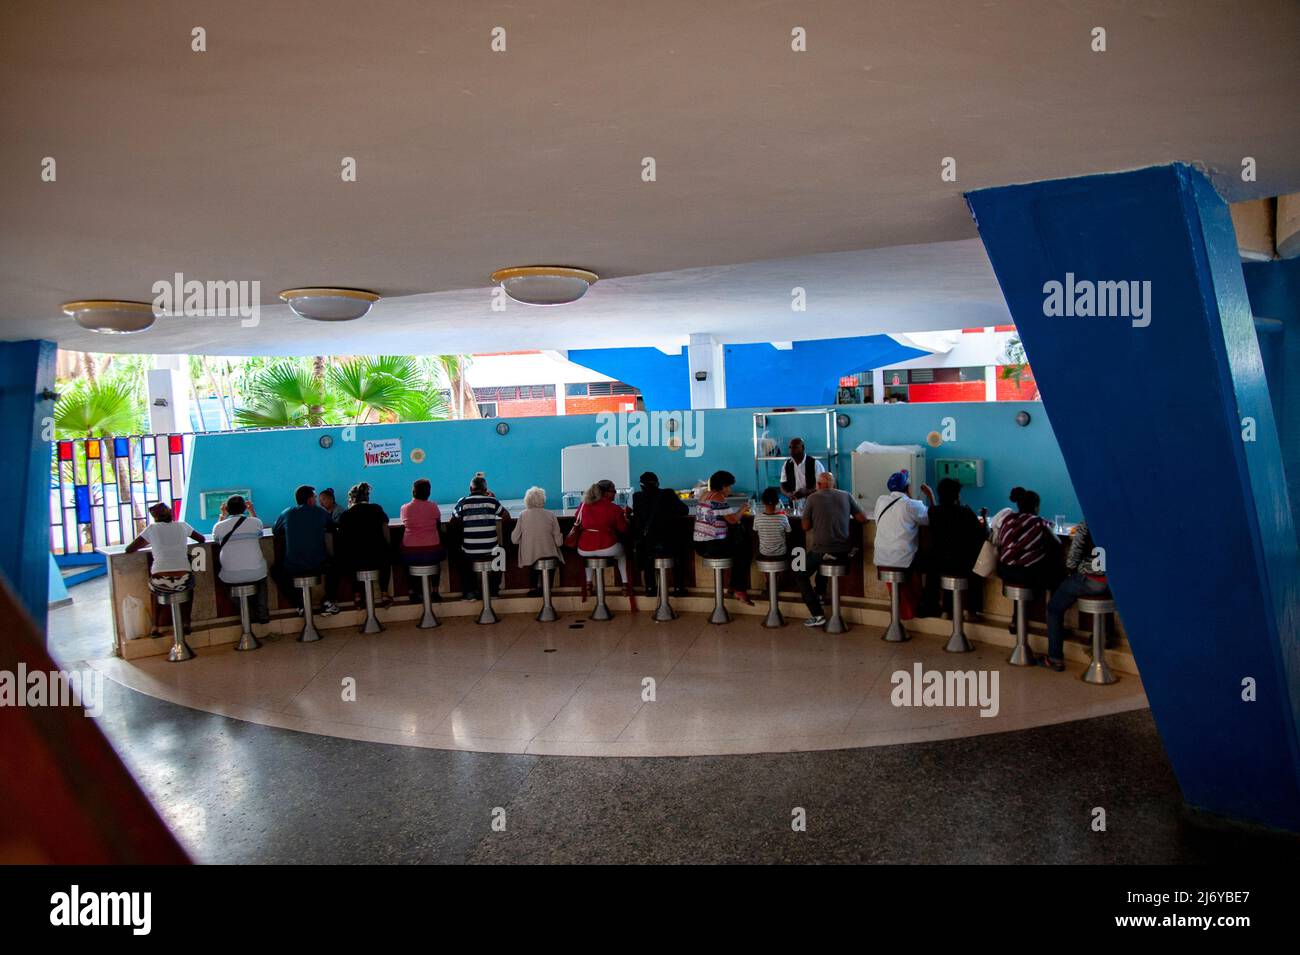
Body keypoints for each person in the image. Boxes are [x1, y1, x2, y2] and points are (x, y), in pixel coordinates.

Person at [797, 473, 868, 627]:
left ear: (818, 484)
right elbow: (862, 519)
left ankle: (817, 614)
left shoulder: (812, 498)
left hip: (822, 549)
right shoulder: (846, 495)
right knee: (823, 560)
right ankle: (820, 594)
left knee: (799, 572)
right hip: (844, 552)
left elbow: (805, 527)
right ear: (834, 484)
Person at [1039, 520, 1109, 672]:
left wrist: (1071, 571)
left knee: (1054, 609)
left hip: (1090, 580)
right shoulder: (1121, 523)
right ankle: (1105, 637)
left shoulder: (1086, 524)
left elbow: (1072, 559)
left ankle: (1054, 658)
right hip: (1113, 585)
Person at [125, 502, 206, 632]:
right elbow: (201, 539)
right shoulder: (182, 526)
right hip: (183, 579)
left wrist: (151, 543)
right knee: (189, 587)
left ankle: (155, 626)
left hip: (160, 581)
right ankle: (186, 622)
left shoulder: (152, 529)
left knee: (155, 591)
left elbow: (130, 549)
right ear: (171, 513)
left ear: (155, 518)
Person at [918, 478, 986, 620]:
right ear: (957, 495)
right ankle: (971, 610)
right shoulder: (965, 512)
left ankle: (944, 609)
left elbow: (936, 512)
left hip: (938, 563)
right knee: (977, 572)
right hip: (961, 563)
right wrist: (984, 520)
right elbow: (982, 534)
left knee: (939, 566)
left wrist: (931, 497)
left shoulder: (934, 512)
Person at [871, 470, 935, 621]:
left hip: (881, 560)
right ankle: (927, 608)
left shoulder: (881, 501)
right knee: (933, 565)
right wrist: (931, 496)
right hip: (903, 562)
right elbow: (932, 518)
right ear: (908, 488)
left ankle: (900, 616)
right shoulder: (911, 505)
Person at [271, 484, 340, 615]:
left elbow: (275, 531)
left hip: (292, 566)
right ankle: (328, 601)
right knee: (336, 565)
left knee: (275, 571)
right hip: (318, 565)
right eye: (314, 497)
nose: (316, 500)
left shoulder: (287, 513)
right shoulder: (321, 512)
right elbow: (332, 527)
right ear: (309, 500)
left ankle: (299, 604)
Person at [693, 470, 754, 605]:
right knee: (745, 550)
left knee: (739, 548)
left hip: (700, 545)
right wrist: (743, 509)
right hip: (712, 545)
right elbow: (732, 520)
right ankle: (739, 588)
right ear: (723, 486)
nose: (730, 489)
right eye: (729, 486)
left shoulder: (704, 495)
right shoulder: (718, 497)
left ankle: (733, 586)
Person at [212, 495, 269, 624]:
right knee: (261, 578)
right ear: (244, 508)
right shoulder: (255, 522)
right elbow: (260, 533)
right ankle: (263, 614)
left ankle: (246, 614)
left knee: (226, 582)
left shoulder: (219, 526)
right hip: (256, 572)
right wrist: (252, 511)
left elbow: (216, 539)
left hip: (230, 575)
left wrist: (222, 515)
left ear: (226, 508)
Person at [629, 471, 688, 597]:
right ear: (658, 483)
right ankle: (678, 587)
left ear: (641, 485)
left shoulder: (637, 497)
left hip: (648, 543)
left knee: (646, 556)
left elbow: (638, 516)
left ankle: (650, 588)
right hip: (669, 542)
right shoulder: (668, 493)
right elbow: (684, 510)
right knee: (680, 554)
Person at [453, 474, 509, 600]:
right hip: (491, 550)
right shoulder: (492, 501)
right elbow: (506, 517)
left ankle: (469, 591)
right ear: (485, 490)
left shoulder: (463, 502)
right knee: (501, 552)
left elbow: (453, 520)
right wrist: (494, 499)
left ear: (470, 489)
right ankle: (494, 590)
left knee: (460, 555)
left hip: (469, 551)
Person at [335, 482, 393, 605]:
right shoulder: (376, 509)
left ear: (352, 499)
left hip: (356, 560)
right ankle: (384, 594)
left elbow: (343, 542)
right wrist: (387, 547)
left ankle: (357, 595)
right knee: (386, 558)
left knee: (349, 557)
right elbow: (386, 531)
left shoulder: (346, 515)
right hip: (377, 557)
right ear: (367, 497)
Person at [995, 486, 1062, 591]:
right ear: (1036, 506)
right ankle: (1051, 603)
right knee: (1055, 564)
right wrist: (1050, 528)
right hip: (1026, 574)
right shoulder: (1038, 522)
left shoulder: (1008, 519)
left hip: (1004, 571)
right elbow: (1058, 544)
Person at [573, 479, 632, 596]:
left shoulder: (583, 505)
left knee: (588, 558)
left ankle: (588, 584)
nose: (615, 493)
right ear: (605, 493)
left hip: (584, 548)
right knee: (622, 554)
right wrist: (626, 516)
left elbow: (577, 519)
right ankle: (625, 585)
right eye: (613, 490)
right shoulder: (614, 508)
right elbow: (623, 529)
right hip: (607, 546)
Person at [511, 485, 564, 596]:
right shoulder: (551, 515)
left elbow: (514, 540)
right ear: (543, 500)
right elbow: (559, 542)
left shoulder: (522, 515)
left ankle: (534, 589)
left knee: (532, 563)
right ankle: (547, 589)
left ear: (527, 500)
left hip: (530, 558)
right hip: (550, 556)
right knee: (551, 562)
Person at [399, 478, 445, 602]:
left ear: (413, 492)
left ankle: (412, 592)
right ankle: (435, 591)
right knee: (436, 562)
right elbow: (438, 524)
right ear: (428, 493)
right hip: (433, 551)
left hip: (410, 553)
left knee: (406, 564)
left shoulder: (405, 508)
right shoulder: (433, 507)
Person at [752, 486, 791, 559]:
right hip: (781, 553)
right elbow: (788, 535)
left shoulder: (757, 517)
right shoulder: (783, 517)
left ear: (762, 501)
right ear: (777, 502)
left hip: (764, 553)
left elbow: (755, 537)